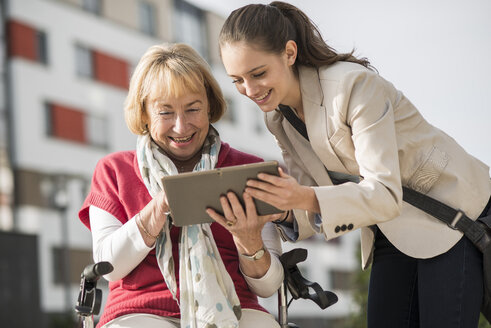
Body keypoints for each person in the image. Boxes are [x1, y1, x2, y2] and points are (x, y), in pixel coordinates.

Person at [218, 2, 491, 327]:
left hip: (451, 218)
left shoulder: (353, 87)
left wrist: (300, 197)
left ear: (289, 53)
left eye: (258, 74)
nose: (250, 90)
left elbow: (383, 193)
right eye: (237, 80)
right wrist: (283, 210)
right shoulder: (278, 118)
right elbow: (314, 196)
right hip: (388, 229)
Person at [78, 43, 284, 328]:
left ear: (209, 106)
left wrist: (249, 242)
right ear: (144, 114)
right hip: (140, 311)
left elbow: (268, 286)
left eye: (192, 109)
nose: (181, 126)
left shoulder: (247, 169)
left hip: (233, 308)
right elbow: (110, 267)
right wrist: (160, 206)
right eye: (165, 113)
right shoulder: (114, 170)